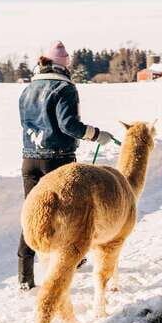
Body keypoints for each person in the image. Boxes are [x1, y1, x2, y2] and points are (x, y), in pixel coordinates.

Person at [17, 41, 114, 290]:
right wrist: (95, 134)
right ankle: (71, 260)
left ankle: (25, 275)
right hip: (58, 159)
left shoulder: (28, 90)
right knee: (69, 217)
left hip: (30, 159)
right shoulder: (65, 88)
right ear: (64, 65)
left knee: (33, 216)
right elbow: (69, 125)